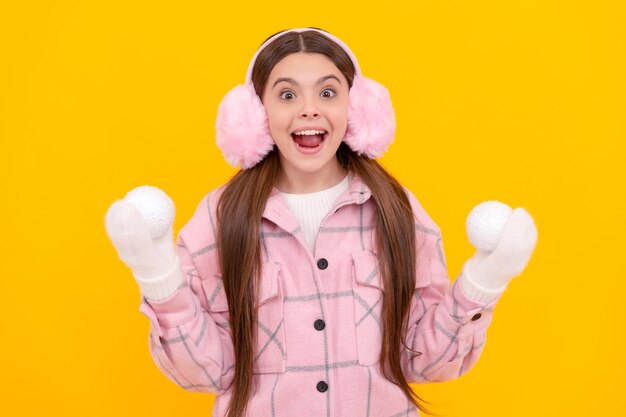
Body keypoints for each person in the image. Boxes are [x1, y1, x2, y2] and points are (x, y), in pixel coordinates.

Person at [105, 28, 538, 417]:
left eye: (328, 93)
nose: (309, 110)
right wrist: (157, 274)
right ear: (256, 115)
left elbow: (424, 362)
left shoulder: (395, 209)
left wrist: (484, 279)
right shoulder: (221, 218)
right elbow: (210, 373)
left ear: (357, 108)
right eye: (287, 95)